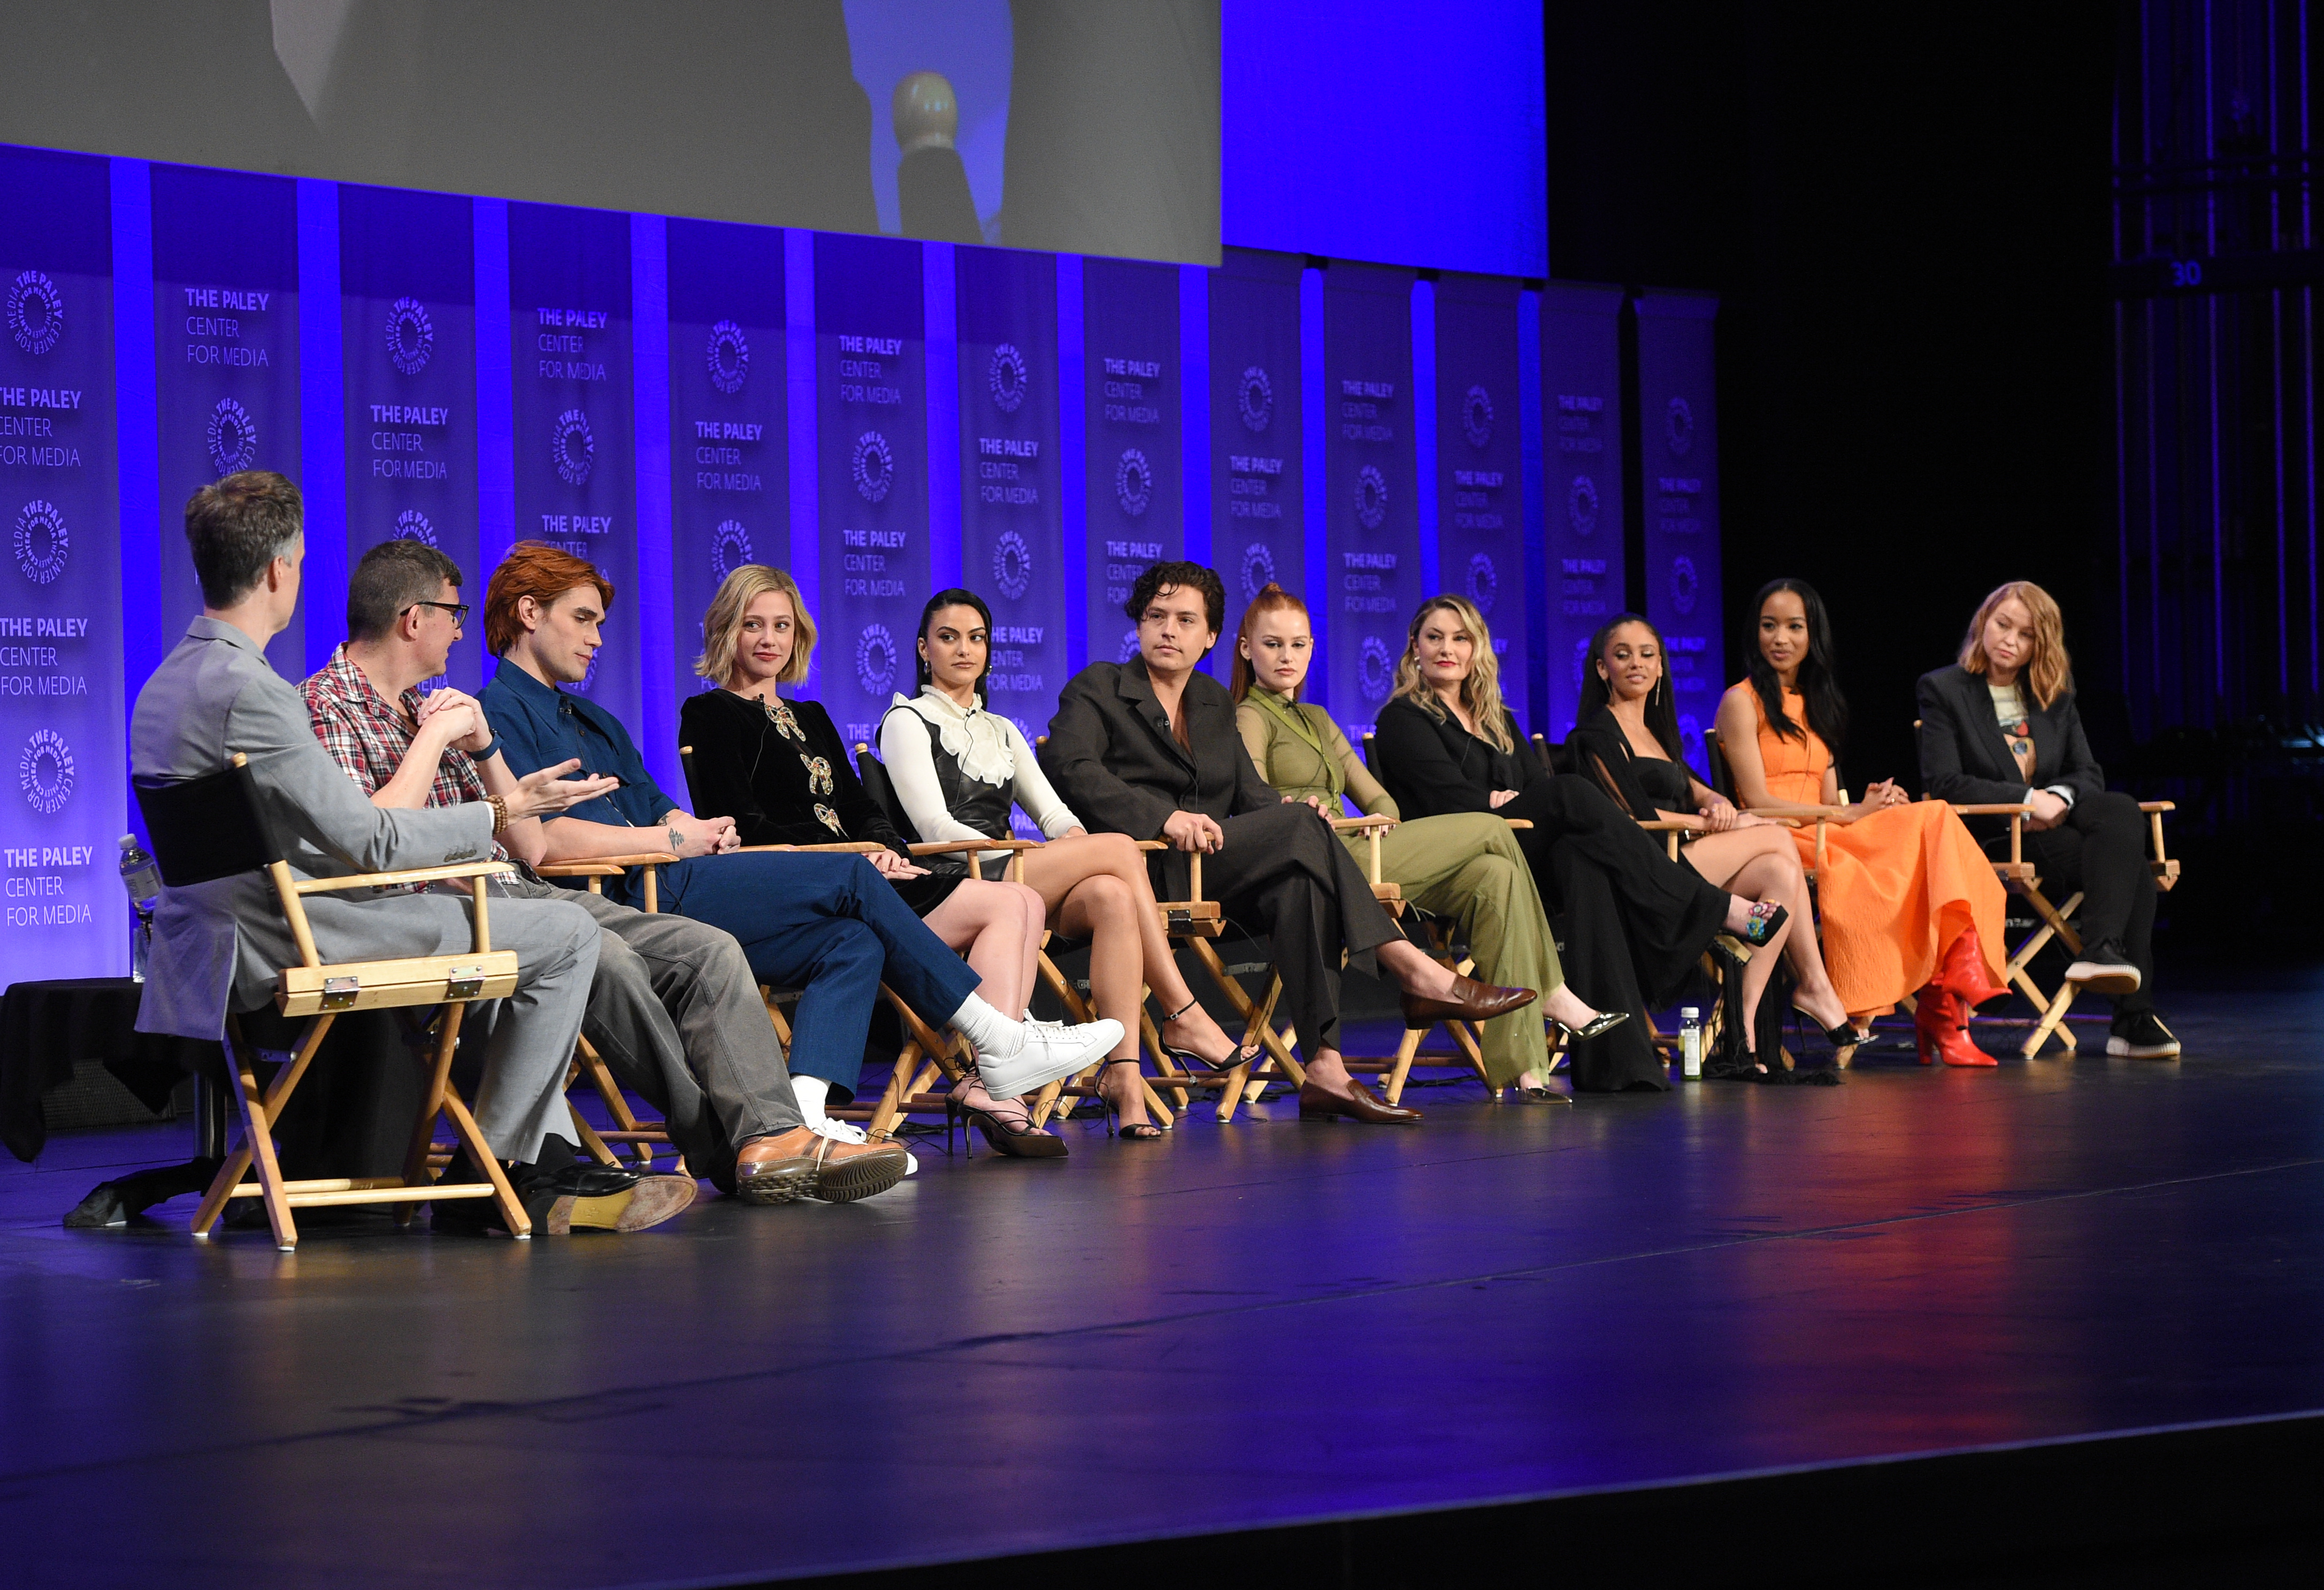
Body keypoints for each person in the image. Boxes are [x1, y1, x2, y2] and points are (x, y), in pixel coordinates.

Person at [129, 473, 687, 1237]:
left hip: (213, 938)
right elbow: (374, 841)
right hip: (291, 935)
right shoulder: (255, 690)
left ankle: (529, 1161)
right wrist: (495, 814)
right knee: (569, 933)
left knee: (529, 934)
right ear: (279, 571)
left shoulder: (165, 684)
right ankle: (499, 1169)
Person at [303, 539, 911, 1204]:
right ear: (413, 618)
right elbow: (374, 844)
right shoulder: (328, 705)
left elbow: (523, 842)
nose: (460, 629)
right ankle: (745, 1143)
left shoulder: (439, 707)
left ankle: (771, 1135)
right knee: (613, 953)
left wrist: (483, 748)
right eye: (453, 614)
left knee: (710, 950)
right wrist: (443, 743)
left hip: (521, 888)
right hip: (449, 911)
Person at [476, 544, 1119, 1160]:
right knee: (851, 872)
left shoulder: (596, 721)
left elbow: (658, 805)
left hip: (680, 873)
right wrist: (672, 839)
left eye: (598, 622)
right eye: (584, 619)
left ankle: (804, 1119)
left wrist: (701, 830)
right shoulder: (495, 711)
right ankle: (996, 1035)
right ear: (530, 614)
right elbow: (541, 842)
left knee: (852, 941)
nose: (597, 638)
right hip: (622, 894)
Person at [1041, 562, 1536, 1127]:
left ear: (1210, 637)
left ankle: (1325, 1066)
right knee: (1301, 828)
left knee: (1301, 878)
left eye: (1185, 620)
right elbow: (1071, 768)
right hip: (1139, 870)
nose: (1169, 630)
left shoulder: (1211, 701)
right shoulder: (1100, 687)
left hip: (1210, 868)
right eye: (1156, 616)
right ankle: (1412, 969)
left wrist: (1292, 819)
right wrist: (1164, 817)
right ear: (1139, 624)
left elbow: (1252, 795)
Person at [678, 566, 1121, 1155]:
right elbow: (742, 821)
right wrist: (852, 856)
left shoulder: (812, 716)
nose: (769, 639)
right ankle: (1000, 1064)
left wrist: (885, 847)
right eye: (752, 624)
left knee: (1021, 898)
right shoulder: (708, 713)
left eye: (782, 625)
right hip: (802, 888)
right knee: (1005, 902)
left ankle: (993, 1076)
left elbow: (862, 806)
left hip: (866, 878)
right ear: (725, 630)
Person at [878, 588, 1257, 1139]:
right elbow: (935, 827)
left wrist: (1073, 846)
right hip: (955, 880)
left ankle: (1125, 1080)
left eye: (976, 638)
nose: (964, 649)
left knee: (1112, 893)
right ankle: (1181, 1010)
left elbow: (1054, 814)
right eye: (948, 637)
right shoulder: (906, 719)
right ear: (922, 649)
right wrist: (1027, 854)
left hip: (1014, 875)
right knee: (1120, 848)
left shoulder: (1001, 728)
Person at [1371, 595, 1786, 1093]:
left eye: (1460, 638)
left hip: (1519, 848)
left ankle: (1619, 1066)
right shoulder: (1402, 718)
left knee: (1583, 860)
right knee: (1569, 791)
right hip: (1459, 860)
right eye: (1434, 638)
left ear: (1476, 648)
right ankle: (1710, 907)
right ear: (1413, 648)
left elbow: (1533, 783)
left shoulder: (1495, 717)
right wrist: (1494, 800)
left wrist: (1519, 800)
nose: (1447, 649)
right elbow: (1446, 798)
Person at [1229, 583, 1623, 1098]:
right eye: (1273, 644)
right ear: (1246, 649)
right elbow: (1255, 800)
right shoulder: (1248, 715)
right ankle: (1551, 990)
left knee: (1497, 874)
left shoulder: (1318, 719)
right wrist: (1295, 809)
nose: (1287, 656)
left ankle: (1525, 1069)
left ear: (1311, 649)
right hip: (1317, 862)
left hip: (1362, 848)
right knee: (1491, 827)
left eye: (1298, 644)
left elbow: (1381, 799)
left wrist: (1377, 819)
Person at [1714, 578, 2011, 1068]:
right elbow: (1758, 800)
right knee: (1890, 861)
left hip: (1825, 827)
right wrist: (1848, 814)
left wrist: (1873, 804)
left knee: (1930, 817)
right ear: (1754, 633)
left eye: (1794, 627)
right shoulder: (1740, 701)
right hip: (1777, 837)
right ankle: (1946, 984)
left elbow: (1830, 799)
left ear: (1813, 635)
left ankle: (1956, 966)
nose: (1780, 638)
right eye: (1769, 626)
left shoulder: (1818, 701)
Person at [1571, 613, 1863, 1065]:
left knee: (1781, 874)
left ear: (1661, 667)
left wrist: (1716, 801)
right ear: (1602, 668)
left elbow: (1692, 787)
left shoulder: (1656, 733)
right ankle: (1813, 982)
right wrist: (1708, 824)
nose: (1636, 664)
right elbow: (1623, 816)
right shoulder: (1595, 735)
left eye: (1647, 655)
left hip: (1682, 864)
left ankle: (1739, 1028)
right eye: (1622, 655)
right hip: (1645, 874)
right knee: (1775, 837)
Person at [1918, 581, 2177, 1058]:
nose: (2010, 640)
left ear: (2041, 644)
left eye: (2026, 635)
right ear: (1983, 621)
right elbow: (1945, 782)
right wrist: (2026, 799)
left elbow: (2088, 774)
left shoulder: (2052, 696)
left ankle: (2101, 954)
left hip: (2058, 824)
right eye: (2003, 625)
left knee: (2119, 807)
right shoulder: (1943, 690)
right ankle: (2131, 1018)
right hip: (1998, 835)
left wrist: (2055, 797)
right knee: (2133, 869)